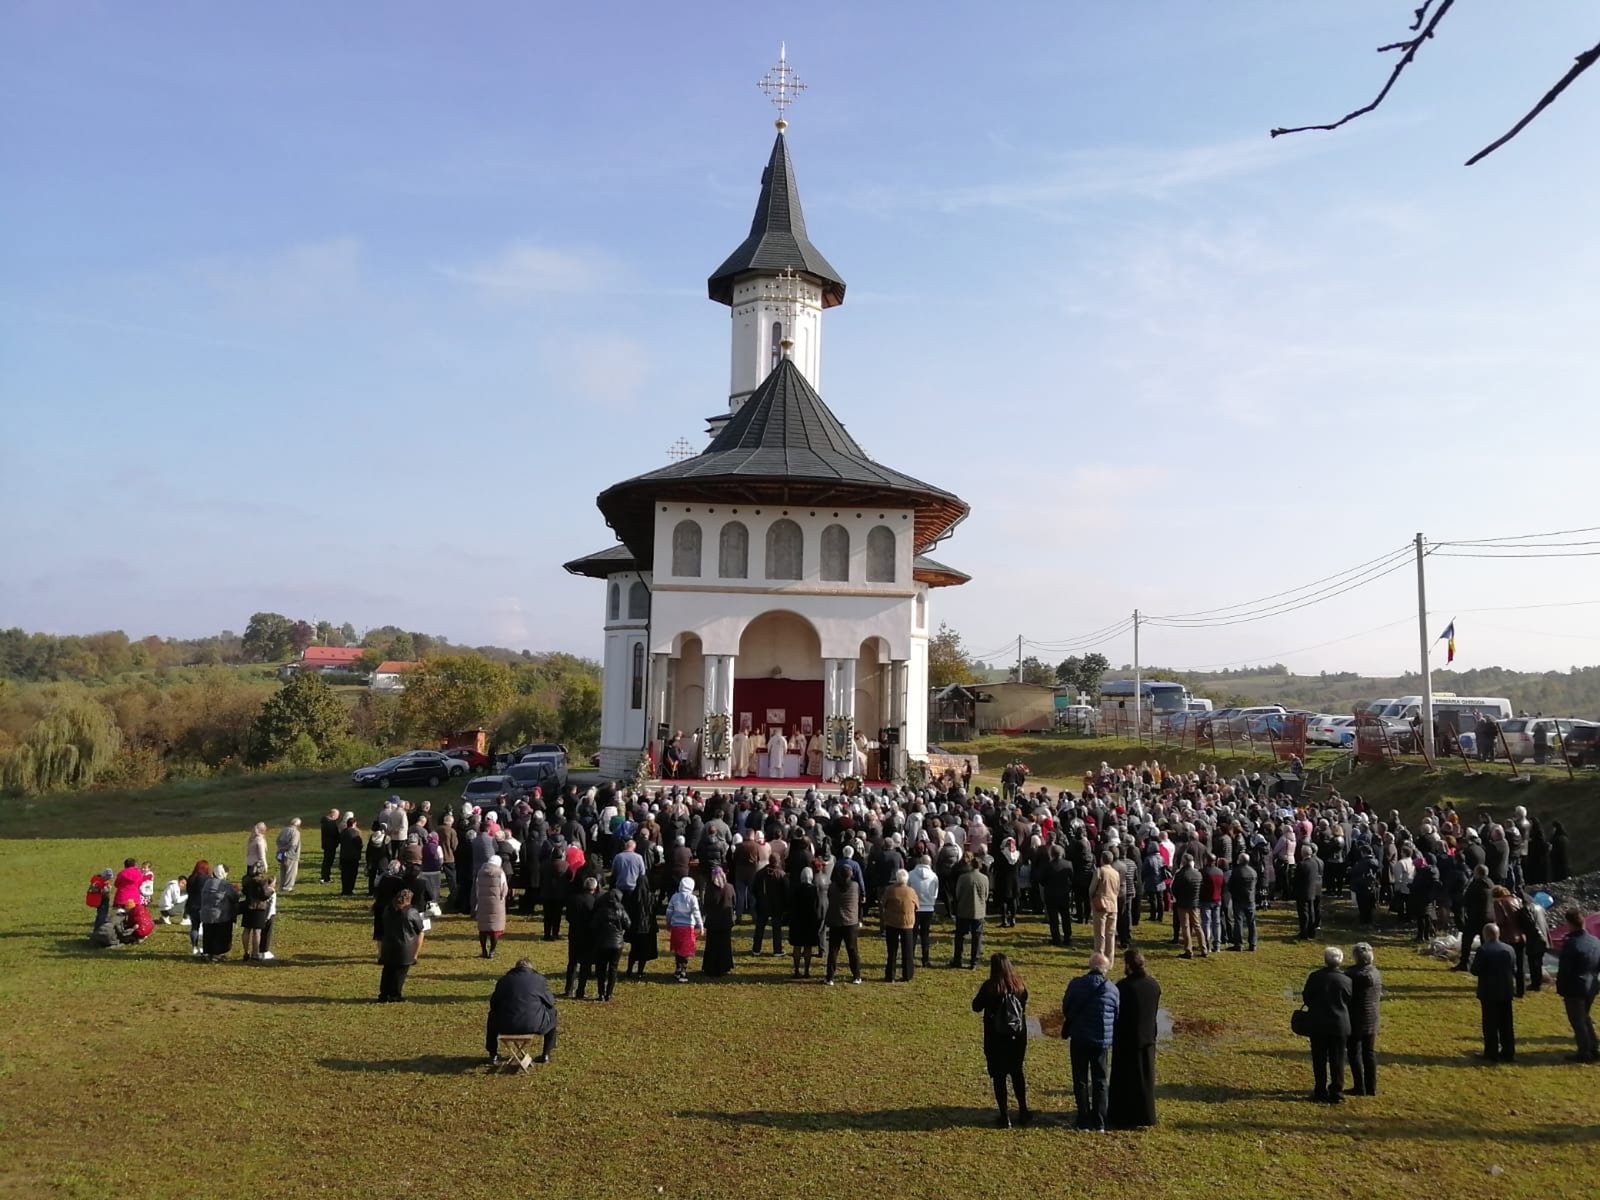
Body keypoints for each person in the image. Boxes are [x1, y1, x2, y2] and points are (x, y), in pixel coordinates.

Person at [971, 953, 1031, 1128]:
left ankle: (1005, 1116)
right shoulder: (1019, 986)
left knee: (999, 1076)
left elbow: (976, 1006)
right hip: (1017, 1036)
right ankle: (1023, 1110)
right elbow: (1024, 1003)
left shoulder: (990, 987)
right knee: (1017, 1072)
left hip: (995, 1037)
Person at [1062, 952, 1119, 1131]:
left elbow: (1067, 1007)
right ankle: (1100, 1120)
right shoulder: (1112, 989)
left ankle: (1083, 1119)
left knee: (1080, 1079)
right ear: (1106, 969)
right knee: (1100, 1080)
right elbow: (1116, 1013)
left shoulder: (1076, 984)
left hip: (1079, 1037)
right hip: (1101, 1039)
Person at [1108, 949, 1161, 1128]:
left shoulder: (1123, 986)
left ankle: (1122, 1116)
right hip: (1147, 1038)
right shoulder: (1153, 985)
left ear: (1128, 965)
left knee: (1124, 1080)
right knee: (1145, 1079)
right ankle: (1146, 1115)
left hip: (1126, 1037)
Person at [1302, 945, 1353, 1103]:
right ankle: (1337, 1091)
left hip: (1318, 1023)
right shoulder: (1346, 980)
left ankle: (1320, 1090)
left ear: (1325, 960)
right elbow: (1349, 999)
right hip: (1339, 1024)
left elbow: (1307, 998)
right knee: (1337, 1059)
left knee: (1319, 1059)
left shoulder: (1315, 976)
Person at [487, 958, 558, 1063]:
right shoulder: (540, 980)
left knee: (492, 1015)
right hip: (534, 1024)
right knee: (552, 1013)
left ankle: (493, 1054)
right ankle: (546, 1054)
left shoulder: (504, 980)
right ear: (531, 968)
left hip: (506, 1025)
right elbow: (550, 1002)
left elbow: (493, 1003)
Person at [1555, 906, 1600, 1062]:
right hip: (1592, 984)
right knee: (1585, 1017)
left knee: (1577, 1020)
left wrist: (1560, 987)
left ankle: (1584, 1052)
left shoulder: (1571, 944)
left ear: (1569, 923)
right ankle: (1593, 1046)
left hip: (1575, 987)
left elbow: (1565, 969)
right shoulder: (1595, 941)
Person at [1471, 922, 1517, 1063]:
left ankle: (1491, 1052)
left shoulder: (1483, 950)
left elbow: (1475, 970)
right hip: (1506, 990)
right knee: (1506, 1023)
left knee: (1490, 1023)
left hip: (1489, 991)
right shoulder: (1509, 949)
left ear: (1486, 935)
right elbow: (1514, 968)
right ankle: (1508, 1051)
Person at [1345, 942, 1382, 1096]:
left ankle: (1359, 1086)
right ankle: (1371, 1086)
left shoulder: (1352, 975)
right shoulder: (1375, 972)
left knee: (1354, 1053)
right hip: (1372, 1018)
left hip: (1356, 1018)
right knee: (1369, 1053)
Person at [378, 887, 426, 1002]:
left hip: (388, 946)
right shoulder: (411, 912)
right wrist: (416, 953)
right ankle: (395, 994)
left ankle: (384, 994)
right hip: (405, 948)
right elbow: (420, 931)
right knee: (400, 973)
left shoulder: (387, 910)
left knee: (387, 971)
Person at [824, 863, 863, 986]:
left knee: (833, 950)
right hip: (850, 922)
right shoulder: (855, 886)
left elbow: (830, 897)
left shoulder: (833, 887)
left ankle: (830, 977)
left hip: (836, 921)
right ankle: (856, 975)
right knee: (852, 950)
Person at [950, 854, 990, 970]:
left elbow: (957, 894)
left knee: (960, 937)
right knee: (977, 937)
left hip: (963, 911)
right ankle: (974, 962)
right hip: (979, 912)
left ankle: (958, 959)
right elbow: (986, 895)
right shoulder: (984, 879)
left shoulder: (963, 878)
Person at [589, 886, 630, 1001]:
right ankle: (609, 994)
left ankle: (601, 993)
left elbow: (593, 925)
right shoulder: (621, 910)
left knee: (601, 968)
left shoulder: (600, 911)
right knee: (613, 968)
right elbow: (628, 924)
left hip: (602, 943)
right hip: (617, 944)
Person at [881, 868, 917, 983]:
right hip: (907, 923)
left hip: (892, 923)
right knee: (907, 951)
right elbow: (917, 905)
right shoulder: (911, 891)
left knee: (892, 951)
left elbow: (883, 903)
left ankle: (890, 975)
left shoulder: (890, 890)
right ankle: (907, 975)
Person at [665, 877, 704, 983]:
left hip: (676, 927)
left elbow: (669, 912)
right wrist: (700, 925)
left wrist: (668, 923)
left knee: (677, 949)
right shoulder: (692, 898)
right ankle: (683, 970)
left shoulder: (674, 897)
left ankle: (677, 968)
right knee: (685, 950)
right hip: (688, 927)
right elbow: (696, 912)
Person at [198, 864, 239, 962]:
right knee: (220, 935)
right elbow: (234, 897)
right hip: (220, 915)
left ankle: (208, 953)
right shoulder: (225, 885)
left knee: (208, 934)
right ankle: (217, 954)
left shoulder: (207, 882)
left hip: (206, 914)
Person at [789, 866, 824, 980]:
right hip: (810, 921)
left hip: (797, 920)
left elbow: (791, 905)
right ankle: (807, 971)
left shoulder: (795, 889)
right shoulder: (814, 890)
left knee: (797, 946)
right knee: (808, 947)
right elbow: (817, 908)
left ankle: (796, 969)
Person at [701, 867, 736, 977]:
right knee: (725, 945)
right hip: (726, 921)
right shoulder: (729, 887)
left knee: (712, 945)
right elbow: (734, 902)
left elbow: (706, 904)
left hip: (713, 922)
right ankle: (725, 966)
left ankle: (711, 967)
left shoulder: (710, 889)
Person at [1170, 855, 1206, 959]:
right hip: (1195, 903)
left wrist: (1178, 898)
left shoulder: (1181, 874)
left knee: (1185, 927)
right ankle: (1204, 949)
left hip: (1182, 904)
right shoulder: (1198, 874)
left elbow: (1174, 889)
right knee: (1197, 926)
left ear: (1184, 862)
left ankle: (1188, 950)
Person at [624, 873, 659, 978]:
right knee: (645, 951)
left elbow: (628, 910)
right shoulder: (652, 897)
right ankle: (640, 971)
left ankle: (629, 970)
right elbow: (655, 910)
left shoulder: (632, 896)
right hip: (648, 927)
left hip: (635, 927)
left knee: (634, 950)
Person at [240, 862, 275, 962]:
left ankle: (246, 952)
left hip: (248, 906)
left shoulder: (246, 880)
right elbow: (264, 895)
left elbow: (244, 891)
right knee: (257, 931)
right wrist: (271, 888)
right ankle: (255, 953)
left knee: (246, 930)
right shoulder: (262, 881)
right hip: (258, 908)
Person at [476, 854, 509, 959]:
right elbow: (504, 888)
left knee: (483, 928)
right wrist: (503, 897)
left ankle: (484, 950)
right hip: (496, 903)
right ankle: (492, 951)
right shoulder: (500, 873)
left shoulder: (480, 872)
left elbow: (477, 887)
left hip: (482, 902)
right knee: (495, 928)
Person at [1089, 851, 1120, 959]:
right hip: (1113, 904)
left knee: (1100, 934)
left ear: (1102, 859)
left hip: (1101, 904)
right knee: (1110, 934)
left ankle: (1099, 959)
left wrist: (1092, 897)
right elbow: (1117, 889)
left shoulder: (1099, 871)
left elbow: (1092, 888)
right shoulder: (1116, 873)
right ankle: (1109, 959)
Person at [1294, 844, 1324, 940]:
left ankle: (1304, 933)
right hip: (1312, 891)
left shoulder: (1301, 864)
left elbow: (1296, 879)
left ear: (1302, 853)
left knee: (1303, 914)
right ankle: (1312, 932)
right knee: (1311, 912)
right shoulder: (1314, 863)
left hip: (1302, 892)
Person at [337, 815, 363, 896]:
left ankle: (344, 889)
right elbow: (359, 845)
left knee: (344, 874)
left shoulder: (343, 832)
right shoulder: (355, 833)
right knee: (352, 874)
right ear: (354, 824)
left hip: (344, 856)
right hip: (353, 857)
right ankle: (350, 889)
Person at [275, 818, 302, 893]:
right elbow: (293, 844)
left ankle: (281, 886)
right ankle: (288, 887)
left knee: (283, 870)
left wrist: (281, 848)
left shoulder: (284, 830)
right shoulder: (296, 832)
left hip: (281, 853)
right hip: (291, 854)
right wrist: (286, 848)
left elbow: (277, 840)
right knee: (291, 871)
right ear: (298, 825)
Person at [319, 807, 341, 884]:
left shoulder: (325, 821)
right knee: (328, 861)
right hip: (331, 844)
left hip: (326, 844)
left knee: (326, 861)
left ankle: (325, 876)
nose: (337, 817)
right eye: (337, 815)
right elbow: (334, 834)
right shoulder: (330, 823)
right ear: (333, 814)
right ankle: (326, 877)